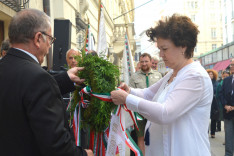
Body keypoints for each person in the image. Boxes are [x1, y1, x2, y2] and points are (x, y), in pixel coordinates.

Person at [111, 14, 213, 156]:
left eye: (164, 49)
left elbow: (165, 113)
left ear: (183, 46)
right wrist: (129, 91)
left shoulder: (195, 76)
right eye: (159, 49)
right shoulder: (173, 73)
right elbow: (148, 94)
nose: (160, 55)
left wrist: (126, 99)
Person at [0, 9, 93, 156]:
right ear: (38, 38)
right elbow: (56, 146)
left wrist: (65, 78)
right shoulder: (39, 78)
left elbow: (23, 90)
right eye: (50, 39)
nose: (50, 46)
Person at [129, 52, 162, 156]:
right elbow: (131, 94)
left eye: (146, 61)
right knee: (140, 137)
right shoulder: (134, 76)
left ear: (150, 61)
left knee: (155, 136)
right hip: (140, 112)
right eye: (142, 61)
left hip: (154, 111)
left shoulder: (158, 75)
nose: (144, 64)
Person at [221, 59, 234, 156]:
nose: (231, 67)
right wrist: (225, 105)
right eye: (231, 65)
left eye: (233, 65)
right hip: (228, 113)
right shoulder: (226, 80)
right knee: (228, 138)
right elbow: (220, 94)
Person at [206, 69, 219, 138]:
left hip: (214, 102)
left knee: (213, 118)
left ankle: (213, 132)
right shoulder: (205, 82)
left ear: (214, 75)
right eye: (209, 74)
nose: (210, 75)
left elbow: (216, 91)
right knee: (206, 117)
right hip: (206, 102)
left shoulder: (216, 83)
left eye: (211, 74)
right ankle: (206, 131)